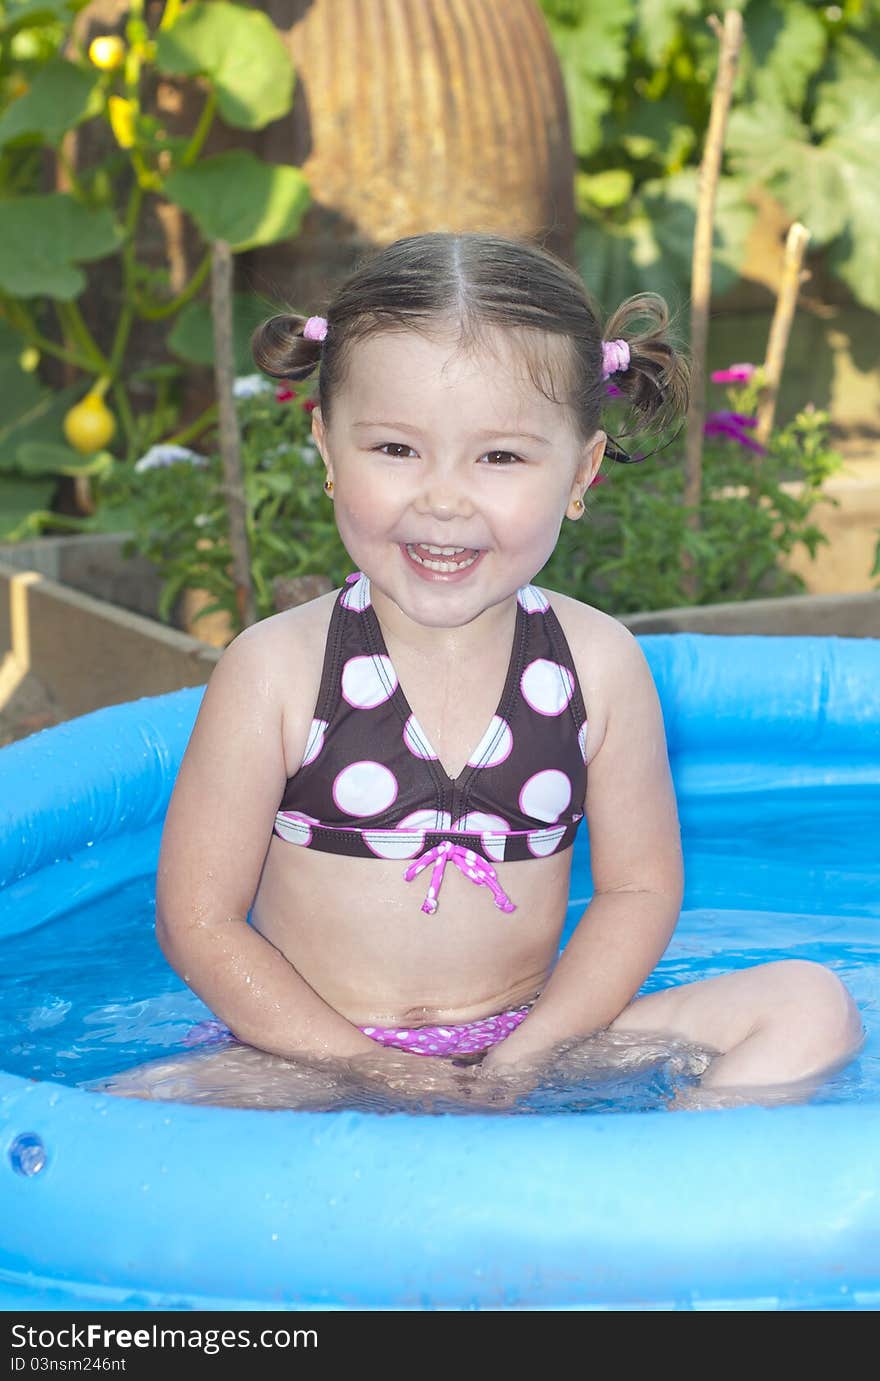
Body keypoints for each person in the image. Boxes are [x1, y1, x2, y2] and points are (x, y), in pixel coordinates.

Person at [105, 231, 862, 1111]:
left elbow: (639, 889)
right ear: (325, 446)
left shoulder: (599, 666)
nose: (445, 498)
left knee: (812, 1005)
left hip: (536, 1043)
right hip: (309, 1058)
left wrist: (529, 1056)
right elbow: (196, 922)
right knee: (128, 1113)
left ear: (580, 470)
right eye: (396, 450)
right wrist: (373, 1070)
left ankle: (665, 1190)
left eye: (499, 457)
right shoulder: (275, 670)